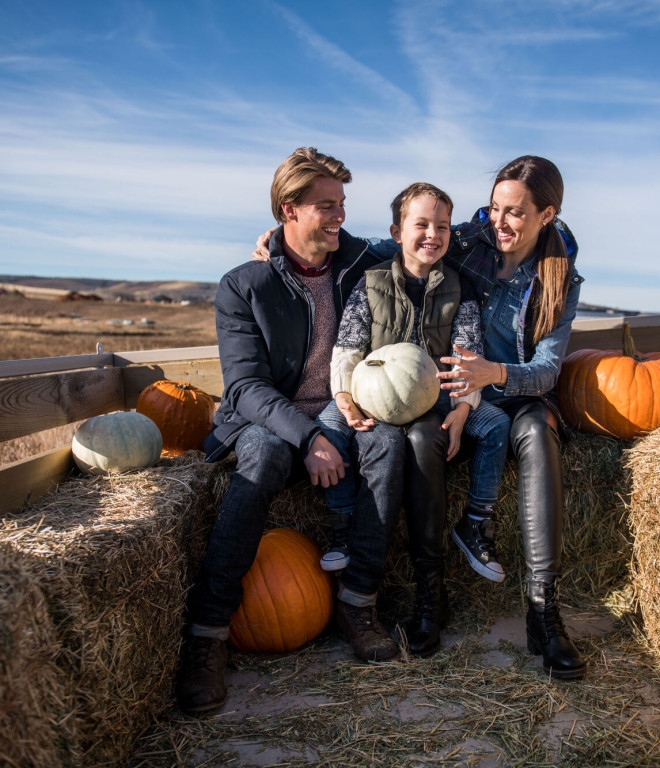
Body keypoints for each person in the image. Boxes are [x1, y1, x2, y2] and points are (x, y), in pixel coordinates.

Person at [253, 156, 588, 679]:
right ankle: (430, 597)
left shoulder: (559, 280)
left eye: (516, 213)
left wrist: (491, 374)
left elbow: (546, 371)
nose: (499, 222)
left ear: (546, 215)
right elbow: (391, 244)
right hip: (444, 393)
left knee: (537, 435)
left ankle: (544, 613)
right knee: (419, 438)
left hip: (508, 391)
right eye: (495, 208)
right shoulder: (465, 242)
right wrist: (285, 239)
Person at [178, 148, 406, 717]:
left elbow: (429, 231)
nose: (339, 217)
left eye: (343, 205)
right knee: (258, 463)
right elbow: (244, 389)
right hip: (270, 417)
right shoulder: (244, 285)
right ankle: (207, 635)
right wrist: (310, 439)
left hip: (347, 405)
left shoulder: (360, 262)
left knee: (388, 442)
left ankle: (358, 603)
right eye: (326, 206)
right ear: (289, 209)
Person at [316, 182, 512, 657]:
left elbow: (469, 355)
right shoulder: (372, 282)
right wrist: (344, 396)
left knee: (479, 429)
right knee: (328, 430)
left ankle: (454, 557)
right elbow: (347, 347)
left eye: (441, 226)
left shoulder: (457, 288)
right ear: (396, 232)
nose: (432, 234)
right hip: (375, 396)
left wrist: (465, 409)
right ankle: (343, 523)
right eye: (420, 224)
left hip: (438, 398)